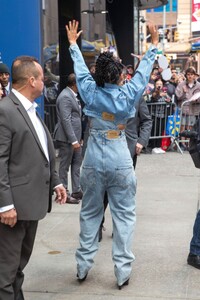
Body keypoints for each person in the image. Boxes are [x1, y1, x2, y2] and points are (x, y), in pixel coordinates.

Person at [66, 20, 158, 289]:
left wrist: (73, 45)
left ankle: (83, 266)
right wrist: (153, 46)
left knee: (90, 213)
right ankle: (122, 271)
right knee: (124, 215)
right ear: (119, 76)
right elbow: (142, 76)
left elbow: (81, 72)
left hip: (93, 157)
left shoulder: (90, 92)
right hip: (120, 157)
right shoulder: (128, 93)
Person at [0, 55, 67, 300]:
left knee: (17, 268)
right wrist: (5, 204)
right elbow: (0, 162)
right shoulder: (5, 111)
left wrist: (56, 180)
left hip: (30, 205)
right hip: (12, 210)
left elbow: (40, 151)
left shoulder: (30, 109)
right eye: (42, 78)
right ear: (31, 80)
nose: (45, 82)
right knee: (4, 275)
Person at [54, 73, 83, 203]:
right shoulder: (65, 96)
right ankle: (64, 192)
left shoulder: (72, 95)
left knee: (77, 163)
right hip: (67, 139)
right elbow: (66, 120)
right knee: (64, 166)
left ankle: (77, 190)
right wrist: (74, 140)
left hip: (75, 138)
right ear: (75, 84)